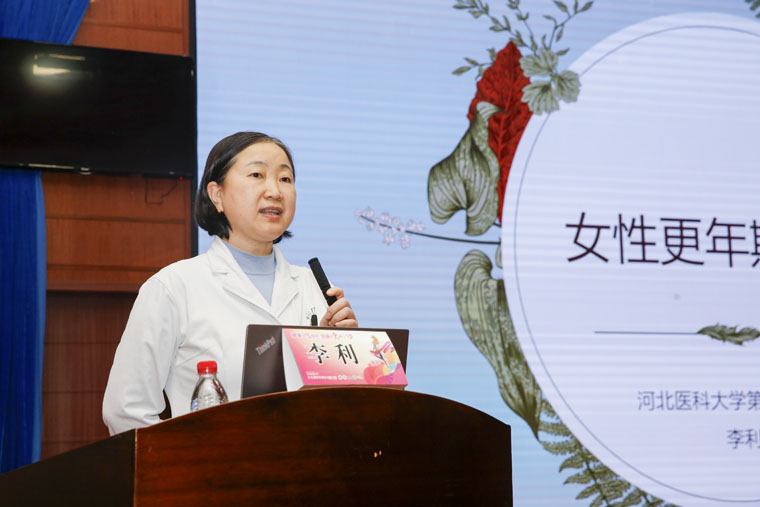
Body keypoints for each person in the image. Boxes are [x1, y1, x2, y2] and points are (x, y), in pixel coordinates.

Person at [102, 132, 357, 435]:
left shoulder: (315, 287)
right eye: (257, 175)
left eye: (285, 179)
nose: (275, 191)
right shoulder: (173, 287)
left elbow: (342, 407)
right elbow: (126, 411)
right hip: (213, 463)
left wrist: (346, 353)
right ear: (217, 195)